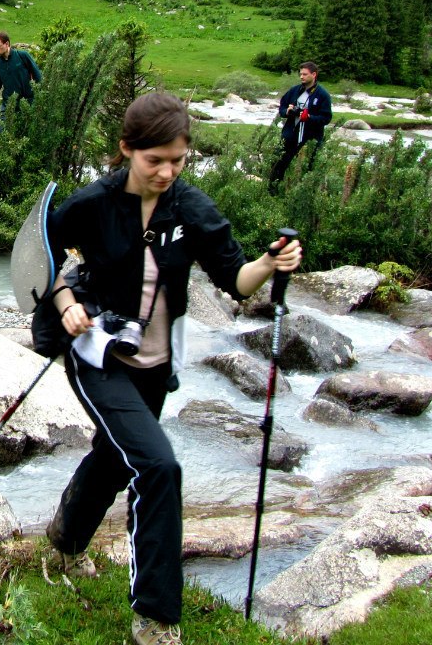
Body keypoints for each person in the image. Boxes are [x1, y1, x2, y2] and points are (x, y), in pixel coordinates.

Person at [43, 92, 302, 645]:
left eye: (177, 161)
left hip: (156, 366)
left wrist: (269, 262)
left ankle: (63, 543)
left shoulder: (190, 207)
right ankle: (155, 620)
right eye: (153, 159)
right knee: (160, 466)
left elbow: (235, 279)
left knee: (116, 460)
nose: (165, 172)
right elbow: (46, 264)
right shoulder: (91, 204)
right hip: (99, 358)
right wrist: (66, 304)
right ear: (126, 150)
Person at [270, 61, 332, 187]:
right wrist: (287, 111)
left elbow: (326, 118)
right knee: (278, 164)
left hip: (310, 139)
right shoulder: (294, 91)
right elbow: (282, 108)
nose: (301, 77)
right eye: (300, 74)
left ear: (314, 75)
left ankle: (303, 194)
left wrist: (309, 117)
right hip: (290, 135)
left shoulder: (322, 95)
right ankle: (273, 191)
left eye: (305, 74)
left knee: (308, 169)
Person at [0, 31, 42, 104]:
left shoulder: (22, 56)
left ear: (7, 44)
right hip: (8, 105)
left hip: (27, 102)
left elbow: (38, 76)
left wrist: (39, 98)